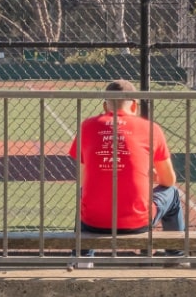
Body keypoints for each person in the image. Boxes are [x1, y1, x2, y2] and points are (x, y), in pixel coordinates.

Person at [68, 80, 185, 267]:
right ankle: (176, 256)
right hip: (137, 222)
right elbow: (169, 180)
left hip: (93, 222)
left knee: (84, 194)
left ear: (105, 105)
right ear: (134, 105)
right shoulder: (151, 129)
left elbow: (84, 177)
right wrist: (152, 176)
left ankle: (82, 257)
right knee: (173, 195)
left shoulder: (87, 126)